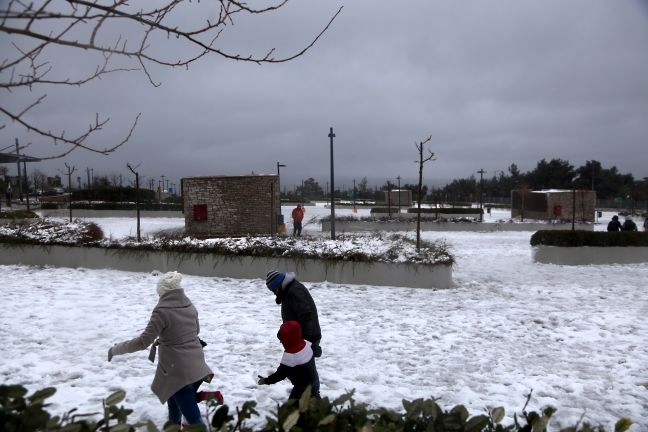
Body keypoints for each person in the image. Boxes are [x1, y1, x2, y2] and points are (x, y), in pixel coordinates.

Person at [108, 271, 215, 429]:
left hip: (179, 372)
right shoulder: (190, 306)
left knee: (194, 421)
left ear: (162, 292)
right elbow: (195, 331)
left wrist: (115, 349)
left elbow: (143, 342)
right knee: (174, 403)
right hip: (196, 365)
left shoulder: (161, 311)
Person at [265, 270, 321, 396]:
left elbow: (307, 316)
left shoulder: (294, 292)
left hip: (306, 337)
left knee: (308, 369)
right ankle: (305, 391)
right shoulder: (289, 290)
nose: (274, 293)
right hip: (298, 338)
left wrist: (306, 342)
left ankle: (313, 394)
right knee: (301, 369)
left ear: (279, 285)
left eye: (274, 290)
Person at [257, 320, 320, 399]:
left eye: (282, 340)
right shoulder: (308, 344)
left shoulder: (290, 357)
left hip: (301, 390)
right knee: (315, 401)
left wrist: (266, 380)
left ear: (287, 340)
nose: (280, 342)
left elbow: (279, 375)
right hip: (315, 381)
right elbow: (318, 352)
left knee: (292, 409)